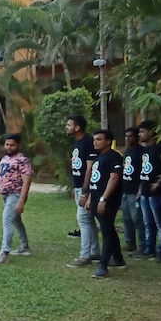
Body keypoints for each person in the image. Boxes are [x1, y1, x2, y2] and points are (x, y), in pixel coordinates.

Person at [85, 129, 126, 279]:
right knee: (108, 229)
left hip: (108, 200)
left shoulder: (114, 156)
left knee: (107, 231)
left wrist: (104, 199)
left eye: (99, 139)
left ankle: (103, 265)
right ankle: (118, 258)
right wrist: (90, 198)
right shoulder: (99, 157)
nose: (95, 142)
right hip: (96, 198)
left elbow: (114, 178)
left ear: (108, 141)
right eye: (94, 139)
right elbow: (95, 179)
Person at [136, 120, 161, 263]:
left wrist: (160, 182)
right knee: (148, 223)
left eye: (142, 132)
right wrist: (140, 189)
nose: (139, 134)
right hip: (145, 191)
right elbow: (144, 170)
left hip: (158, 192)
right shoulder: (145, 149)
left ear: (151, 132)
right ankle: (149, 249)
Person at [0, 134, 32, 264]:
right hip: (5, 195)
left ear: (18, 145)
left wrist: (21, 201)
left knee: (7, 220)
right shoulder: (4, 159)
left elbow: (26, 182)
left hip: (15, 194)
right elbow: (1, 178)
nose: (9, 147)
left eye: (12, 145)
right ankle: (24, 246)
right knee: (16, 221)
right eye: (7, 144)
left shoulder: (22, 160)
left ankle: (4, 253)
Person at [66, 114, 100, 268]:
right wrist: (75, 186)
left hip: (87, 188)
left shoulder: (88, 142)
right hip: (79, 186)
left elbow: (90, 168)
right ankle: (94, 251)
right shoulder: (76, 142)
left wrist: (86, 192)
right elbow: (76, 166)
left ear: (77, 127)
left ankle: (85, 256)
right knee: (88, 219)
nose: (67, 127)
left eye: (69, 124)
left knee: (83, 219)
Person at [120, 127, 144, 252]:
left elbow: (143, 172)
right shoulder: (127, 151)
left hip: (135, 190)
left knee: (137, 219)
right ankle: (130, 242)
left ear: (136, 137)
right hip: (125, 189)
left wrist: (141, 189)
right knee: (127, 218)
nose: (128, 139)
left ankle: (142, 245)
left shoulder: (141, 152)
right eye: (126, 136)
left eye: (131, 136)